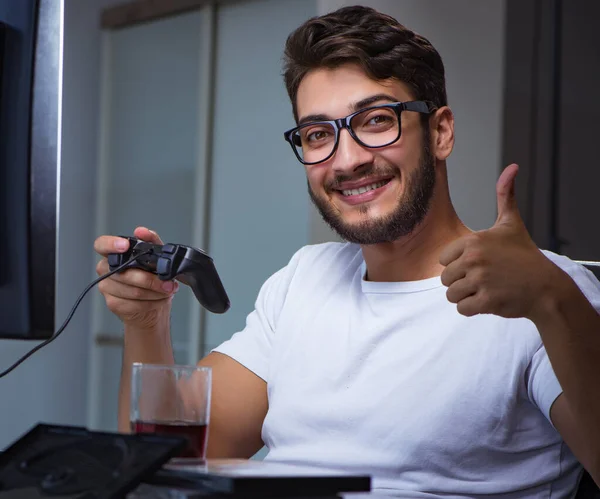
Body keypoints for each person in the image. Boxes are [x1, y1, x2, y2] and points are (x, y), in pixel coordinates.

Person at [93, 5, 600, 497]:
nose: (348, 160)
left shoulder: (544, 290)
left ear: (440, 131)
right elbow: (167, 461)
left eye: (377, 121)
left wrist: (552, 302)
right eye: (318, 134)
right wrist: (146, 323)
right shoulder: (303, 280)